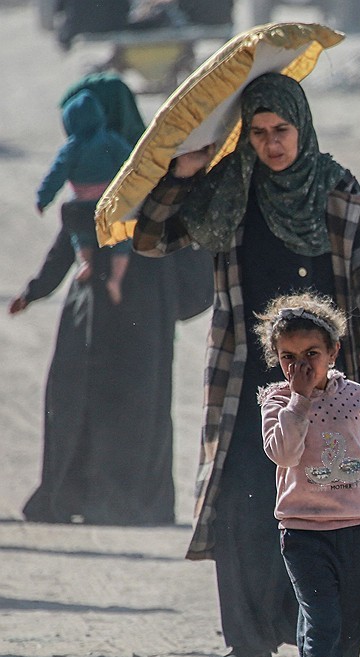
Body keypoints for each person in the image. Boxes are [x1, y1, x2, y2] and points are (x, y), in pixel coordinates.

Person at [132, 72, 360, 657]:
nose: (271, 143)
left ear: (301, 127)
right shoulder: (228, 190)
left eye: (281, 130)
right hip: (248, 382)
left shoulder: (336, 187)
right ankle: (247, 646)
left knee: (338, 509)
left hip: (332, 386)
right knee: (242, 505)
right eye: (258, 132)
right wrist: (183, 175)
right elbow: (151, 238)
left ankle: (325, 647)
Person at [9, 73, 188, 527]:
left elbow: (72, 230)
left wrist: (40, 288)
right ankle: (128, 500)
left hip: (94, 309)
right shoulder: (153, 172)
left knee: (81, 395)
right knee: (134, 402)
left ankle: (77, 493)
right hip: (143, 315)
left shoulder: (141, 172)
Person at [255, 291, 360, 657]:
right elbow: (284, 452)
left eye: (312, 354)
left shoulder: (355, 397)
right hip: (302, 531)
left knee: (355, 617)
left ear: (333, 352)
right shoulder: (275, 401)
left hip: (357, 528)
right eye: (289, 357)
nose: (301, 366)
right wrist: (298, 401)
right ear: (276, 359)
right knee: (321, 618)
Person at [36, 89, 134, 306]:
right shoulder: (111, 141)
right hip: (111, 205)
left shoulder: (71, 149)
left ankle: (85, 263)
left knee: (80, 238)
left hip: (80, 208)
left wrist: (43, 198)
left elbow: (55, 175)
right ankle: (116, 279)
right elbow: (132, 162)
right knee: (122, 241)